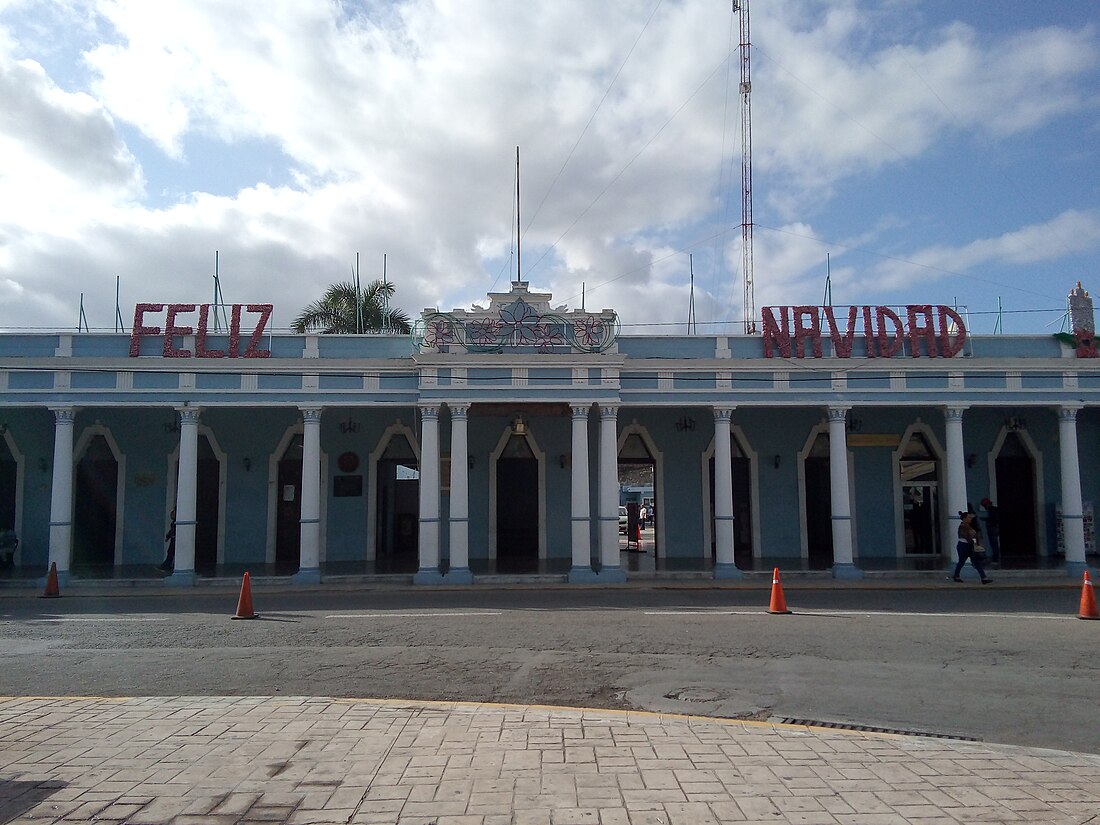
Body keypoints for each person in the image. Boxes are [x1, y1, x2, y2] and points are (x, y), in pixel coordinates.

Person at [953, 510, 991, 584]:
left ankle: (984, 578)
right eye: (969, 517)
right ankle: (983, 578)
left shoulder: (967, 526)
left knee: (974, 562)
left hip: (967, 545)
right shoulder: (963, 527)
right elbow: (969, 536)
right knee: (963, 561)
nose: (970, 519)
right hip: (964, 546)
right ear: (964, 518)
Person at [980, 497, 1001, 567]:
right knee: (994, 544)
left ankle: (996, 559)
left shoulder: (992, 510)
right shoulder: (994, 510)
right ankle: (995, 559)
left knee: (994, 544)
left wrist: (985, 519)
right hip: (993, 528)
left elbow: (993, 519)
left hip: (993, 529)